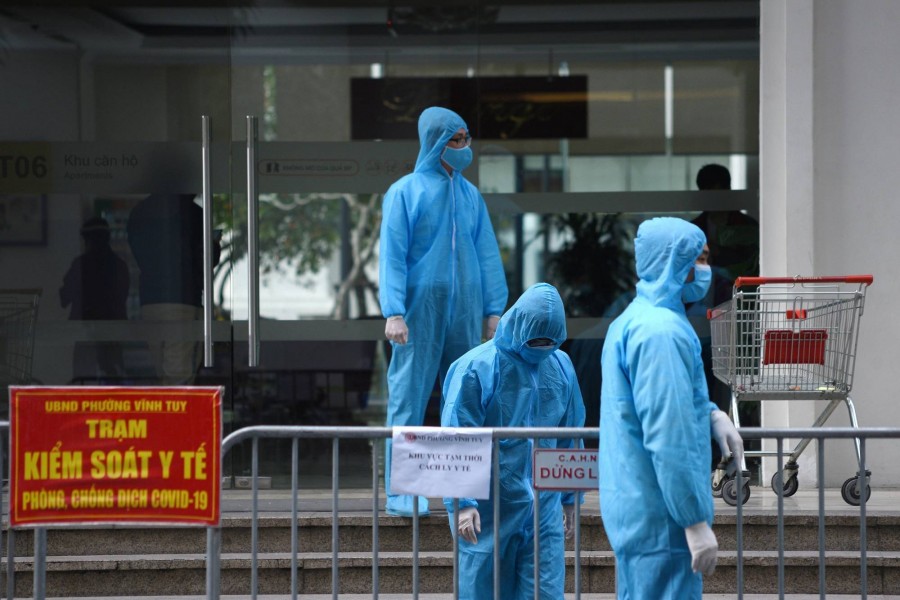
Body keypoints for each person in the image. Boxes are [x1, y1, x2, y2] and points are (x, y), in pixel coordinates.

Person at [599, 217, 743, 599]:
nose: (705, 269)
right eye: (698, 258)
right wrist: (692, 519)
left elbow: (658, 404)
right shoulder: (661, 331)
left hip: (639, 507)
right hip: (662, 516)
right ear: (672, 260)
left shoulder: (635, 321)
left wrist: (710, 412)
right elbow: (669, 434)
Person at [379, 106, 508, 517]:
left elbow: (488, 254)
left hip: (467, 309)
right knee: (408, 396)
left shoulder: (471, 196)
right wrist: (394, 311)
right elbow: (393, 256)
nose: (464, 147)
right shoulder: (405, 192)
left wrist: (493, 310)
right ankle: (402, 492)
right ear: (435, 142)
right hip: (418, 310)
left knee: (466, 394)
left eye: (466, 138)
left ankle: (464, 490)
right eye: (456, 140)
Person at [441, 283, 585, 600]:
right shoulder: (476, 367)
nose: (542, 348)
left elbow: (570, 435)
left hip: (544, 508)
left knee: (545, 590)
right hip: (489, 506)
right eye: (536, 341)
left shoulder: (560, 366)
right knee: (485, 589)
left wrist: (571, 499)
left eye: (550, 342)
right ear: (519, 326)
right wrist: (462, 502)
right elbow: (457, 438)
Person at [127, 193, 219, 385]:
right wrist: (215, 244)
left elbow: (137, 255)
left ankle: (166, 413)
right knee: (180, 375)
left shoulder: (140, 212)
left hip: (150, 301)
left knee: (162, 371)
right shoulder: (193, 214)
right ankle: (177, 415)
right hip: (182, 300)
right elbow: (207, 258)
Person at [59, 216, 130, 382]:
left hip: (86, 330)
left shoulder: (80, 264)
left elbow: (64, 298)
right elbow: (123, 298)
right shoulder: (120, 265)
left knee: (83, 380)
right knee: (113, 379)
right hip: (113, 331)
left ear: (86, 239)